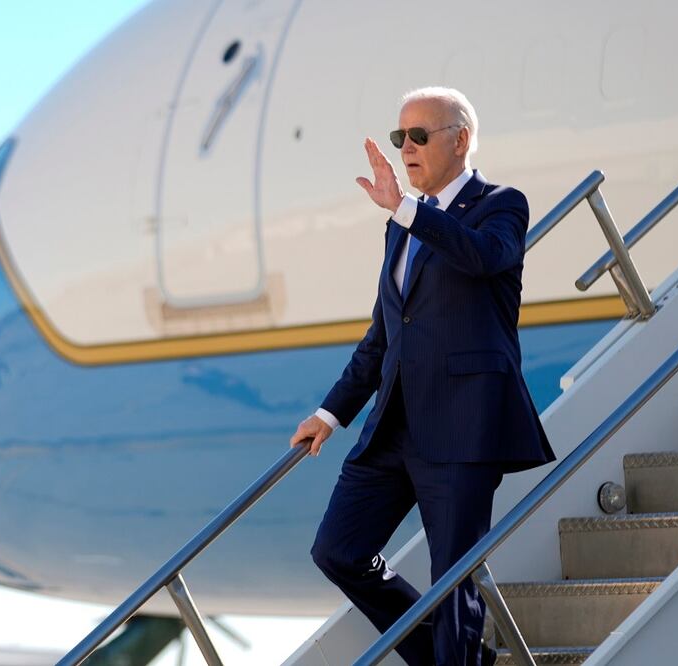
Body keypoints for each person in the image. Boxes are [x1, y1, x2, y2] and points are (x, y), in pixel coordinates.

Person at [289, 87, 555, 666]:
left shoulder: (501, 203)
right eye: (398, 137)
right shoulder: (402, 227)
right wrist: (331, 414)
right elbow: (384, 336)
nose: (405, 148)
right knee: (338, 550)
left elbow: (484, 256)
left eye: (418, 136)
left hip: (462, 427)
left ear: (460, 139)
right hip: (394, 428)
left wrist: (405, 209)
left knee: (452, 580)